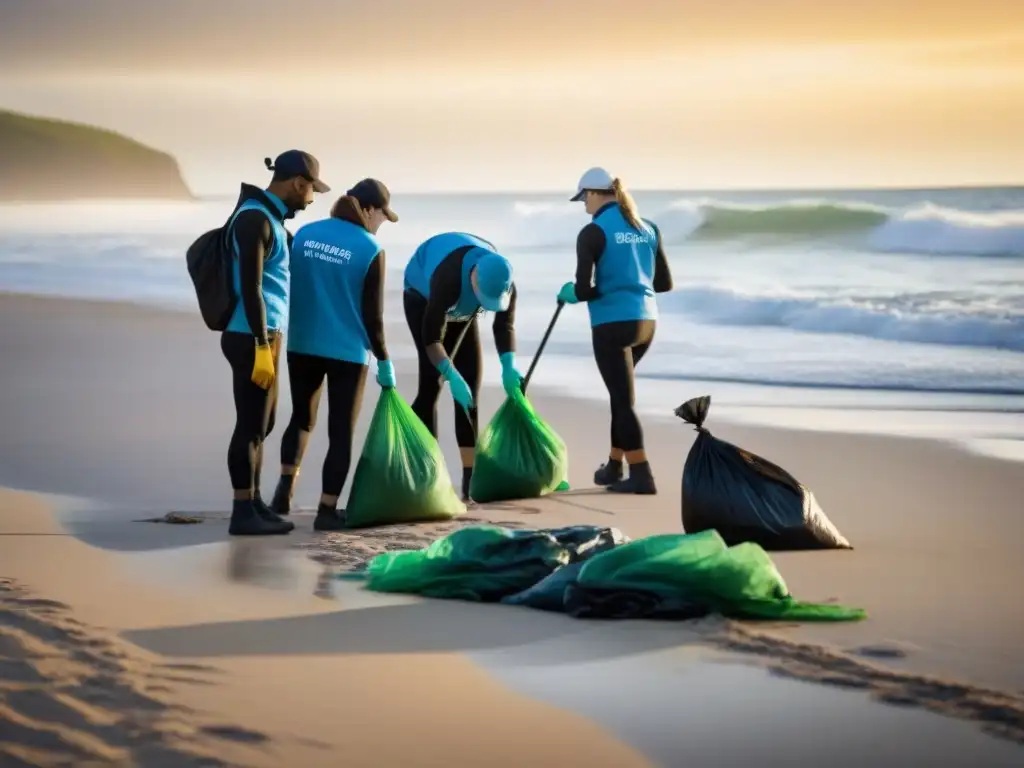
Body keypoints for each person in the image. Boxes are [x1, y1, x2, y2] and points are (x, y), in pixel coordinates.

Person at [268, 179, 398, 530]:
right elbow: (373, 316)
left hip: (302, 343)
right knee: (340, 432)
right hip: (347, 352)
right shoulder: (370, 249)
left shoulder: (306, 235)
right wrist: (384, 359)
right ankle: (326, 511)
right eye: (383, 216)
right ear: (369, 210)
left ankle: (283, 492)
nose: (381, 224)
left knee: (301, 418)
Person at [222, 151, 330, 536]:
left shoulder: (269, 219)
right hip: (250, 334)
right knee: (250, 424)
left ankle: (253, 502)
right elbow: (251, 288)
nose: (311, 200)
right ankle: (241, 512)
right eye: (310, 191)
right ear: (298, 182)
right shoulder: (254, 219)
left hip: (265, 334)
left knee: (263, 423)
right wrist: (260, 346)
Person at [557, 167, 674, 495]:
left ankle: (641, 474)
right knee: (621, 395)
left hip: (612, 325)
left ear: (595, 194)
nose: (583, 205)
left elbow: (584, 290)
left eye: (583, 198)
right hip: (647, 324)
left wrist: (571, 292)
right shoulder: (647, 227)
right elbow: (663, 283)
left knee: (623, 401)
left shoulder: (592, 233)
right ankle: (613, 465)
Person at [403, 232, 522, 500]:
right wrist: (449, 373)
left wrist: (508, 366)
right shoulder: (446, 278)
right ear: (474, 279)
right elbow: (432, 339)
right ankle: (427, 477)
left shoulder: (504, 281)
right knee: (431, 384)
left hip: (462, 304)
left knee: (471, 386)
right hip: (422, 295)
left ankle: (470, 481)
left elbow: (504, 325)